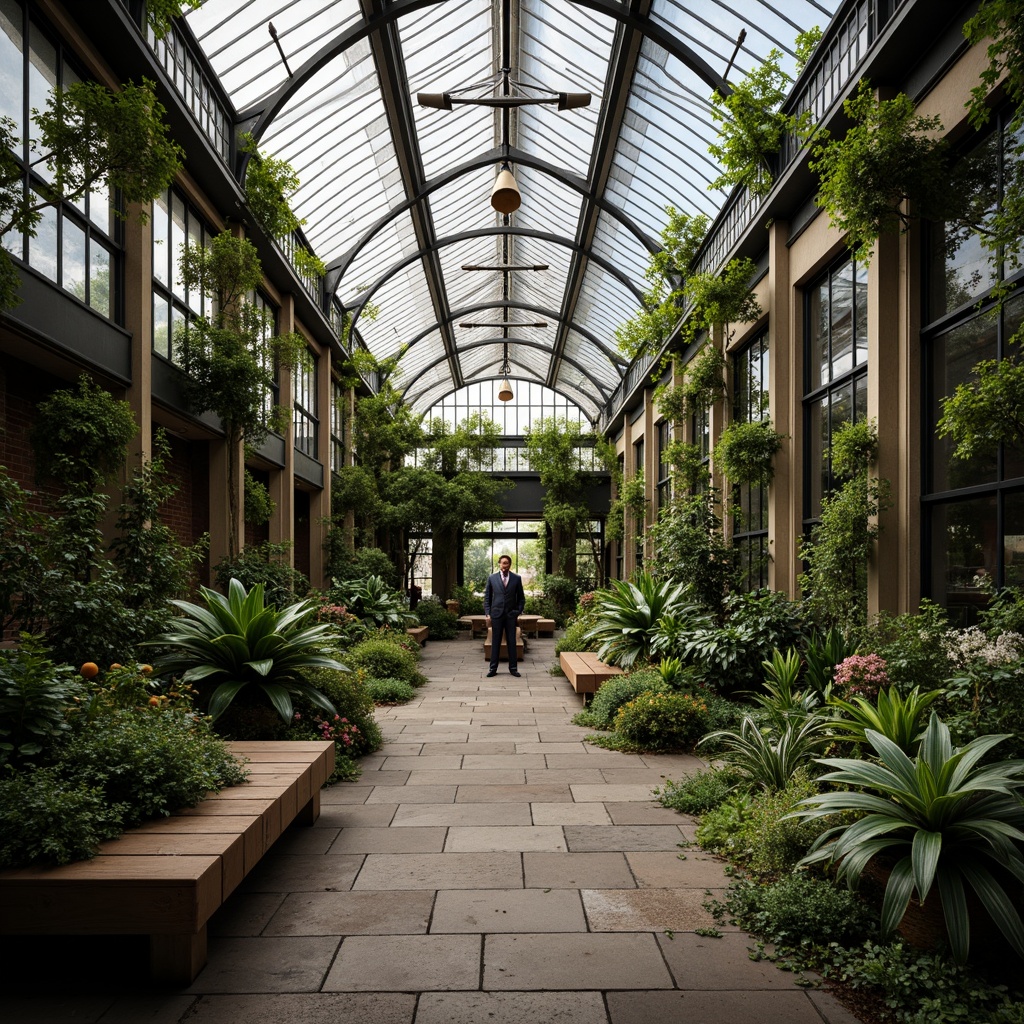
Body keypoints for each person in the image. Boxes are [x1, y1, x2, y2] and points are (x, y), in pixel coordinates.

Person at [483, 554, 525, 677]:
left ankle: (513, 669)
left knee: (512, 642)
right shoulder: (492, 578)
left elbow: (521, 599)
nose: (504, 565)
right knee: (495, 642)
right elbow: (487, 598)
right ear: (499, 564)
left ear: (510, 565)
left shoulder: (516, 578)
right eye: (503, 563)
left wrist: (517, 612)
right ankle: (493, 669)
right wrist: (487, 613)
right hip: (496, 615)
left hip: (510, 615)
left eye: (507, 563)